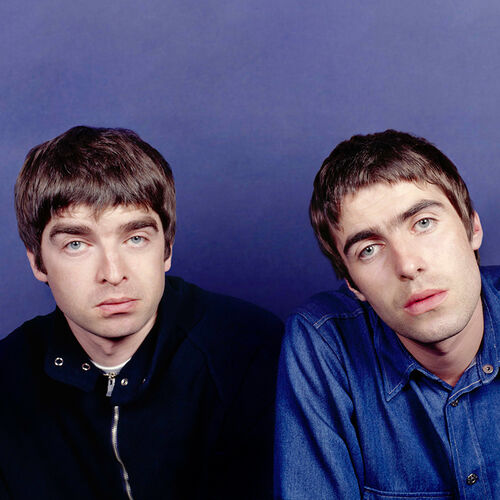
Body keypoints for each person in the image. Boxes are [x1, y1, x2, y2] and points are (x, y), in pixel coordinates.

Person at [0, 126, 283, 500]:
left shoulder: (250, 350)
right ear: (38, 262)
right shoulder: (7, 380)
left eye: (135, 238)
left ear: (166, 250)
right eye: (76, 244)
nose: (113, 273)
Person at [274, 130, 499, 499]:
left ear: (472, 227)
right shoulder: (325, 342)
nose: (407, 265)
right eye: (369, 249)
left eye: (423, 223)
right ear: (353, 284)